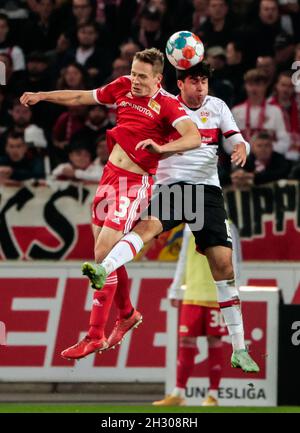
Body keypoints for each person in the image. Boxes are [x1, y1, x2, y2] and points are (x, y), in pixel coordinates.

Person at [20, 47, 201, 359]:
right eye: (133, 73)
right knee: (107, 256)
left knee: (103, 253)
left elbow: (194, 136)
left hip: (134, 183)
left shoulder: (168, 104)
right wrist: (42, 94)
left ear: (158, 78)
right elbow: (80, 98)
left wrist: (162, 147)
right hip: (109, 177)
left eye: (142, 77)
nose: (135, 81)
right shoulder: (121, 86)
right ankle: (128, 312)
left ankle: (94, 336)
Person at [87, 61, 260, 373]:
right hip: (171, 186)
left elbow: (235, 137)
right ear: (180, 84)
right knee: (148, 227)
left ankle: (239, 347)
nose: (201, 87)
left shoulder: (218, 106)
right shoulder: (163, 105)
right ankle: (104, 268)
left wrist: (242, 147)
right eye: (194, 81)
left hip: (206, 191)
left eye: (204, 82)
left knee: (223, 265)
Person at [153, 222, 241, 407]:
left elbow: (235, 261)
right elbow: (184, 258)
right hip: (192, 293)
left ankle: (213, 395)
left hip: (217, 294)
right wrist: (176, 289)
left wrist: (234, 293)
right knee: (186, 342)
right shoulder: (188, 227)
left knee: (214, 341)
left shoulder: (226, 225)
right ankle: (178, 393)